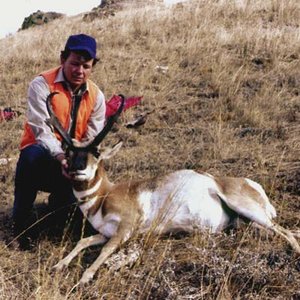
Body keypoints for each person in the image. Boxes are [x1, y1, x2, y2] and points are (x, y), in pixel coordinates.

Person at [12, 33, 106, 249]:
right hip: (44, 160)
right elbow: (40, 129)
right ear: (63, 59)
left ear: (92, 66)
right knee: (31, 156)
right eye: (74, 63)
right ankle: (21, 225)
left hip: (73, 164)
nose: (79, 71)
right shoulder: (42, 85)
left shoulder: (96, 96)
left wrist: (76, 161)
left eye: (86, 66)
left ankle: (61, 206)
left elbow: (92, 139)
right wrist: (61, 156)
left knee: (75, 219)